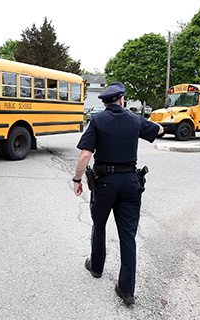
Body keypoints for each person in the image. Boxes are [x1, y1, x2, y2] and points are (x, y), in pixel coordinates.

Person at [72, 81, 163, 306]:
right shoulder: (135, 120)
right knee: (127, 235)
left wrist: (77, 179)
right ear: (122, 99)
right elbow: (159, 130)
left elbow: (85, 155)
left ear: (104, 102)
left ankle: (96, 266)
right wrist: (157, 124)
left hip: (105, 184)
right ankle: (126, 290)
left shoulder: (97, 120)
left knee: (99, 225)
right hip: (131, 184)